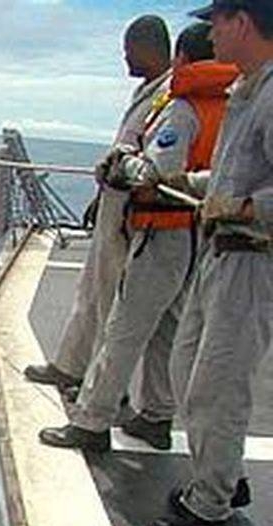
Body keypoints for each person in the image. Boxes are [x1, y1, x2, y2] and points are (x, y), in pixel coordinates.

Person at [38, 23, 239, 453]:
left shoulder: (182, 110)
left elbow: (155, 173)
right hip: (198, 235)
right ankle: (156, 416)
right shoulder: (229, 107)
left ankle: (92, 421)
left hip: (162, 234)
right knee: (168, 328)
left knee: (124, 327)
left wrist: (122, 167)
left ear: (182, 58)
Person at [143, 0, 273, 526]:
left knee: (218, 385)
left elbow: (254, 195)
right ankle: (224, 475)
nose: (210, 34)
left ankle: (208, 506)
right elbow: (229, 176)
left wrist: (241, 208)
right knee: (187, 370)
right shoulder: (246, 91)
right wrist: (189, 185)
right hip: (220, 258)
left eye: (217, 22)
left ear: (241, 22)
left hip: (250, 262)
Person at [24, 16, 173, 392]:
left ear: (147, 47)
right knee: (91, 290)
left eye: (129, 50)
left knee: (112, 302)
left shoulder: (168, 95)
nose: (126, 58)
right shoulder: (148, 91)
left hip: (129, 214)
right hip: (113, 205)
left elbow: (151, 162)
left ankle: (105, 388)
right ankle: (70, 366)